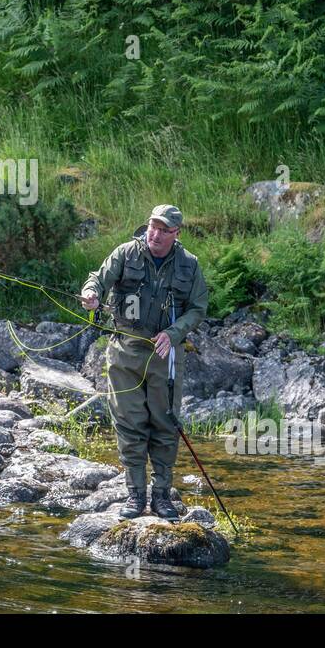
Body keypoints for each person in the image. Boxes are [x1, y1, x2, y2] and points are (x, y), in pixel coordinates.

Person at [80, 204, 208, 519]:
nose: (156, 234)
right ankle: (135, 496)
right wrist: (90, 294)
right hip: (125, 351)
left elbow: (198, 308)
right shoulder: (126, 253)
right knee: (129, 423)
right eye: (153, 226)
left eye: (164, 229)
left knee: (165, 423)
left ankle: (162, 496)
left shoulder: (189, 266)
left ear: (176, 233)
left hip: (165, 354)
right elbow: (98, 278)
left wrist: (174, 333)